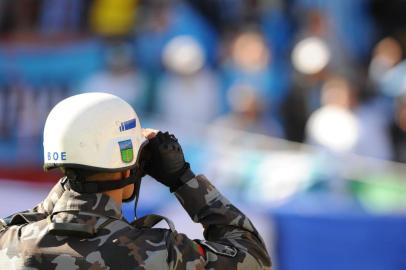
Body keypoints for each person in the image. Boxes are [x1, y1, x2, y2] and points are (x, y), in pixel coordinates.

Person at [0, 93, 271, 269]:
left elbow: (25, 220)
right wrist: (182, 178)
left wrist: (71, 181)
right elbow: (253, 258)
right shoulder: (159, 253)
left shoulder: (9, 242)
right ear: (129, 166)